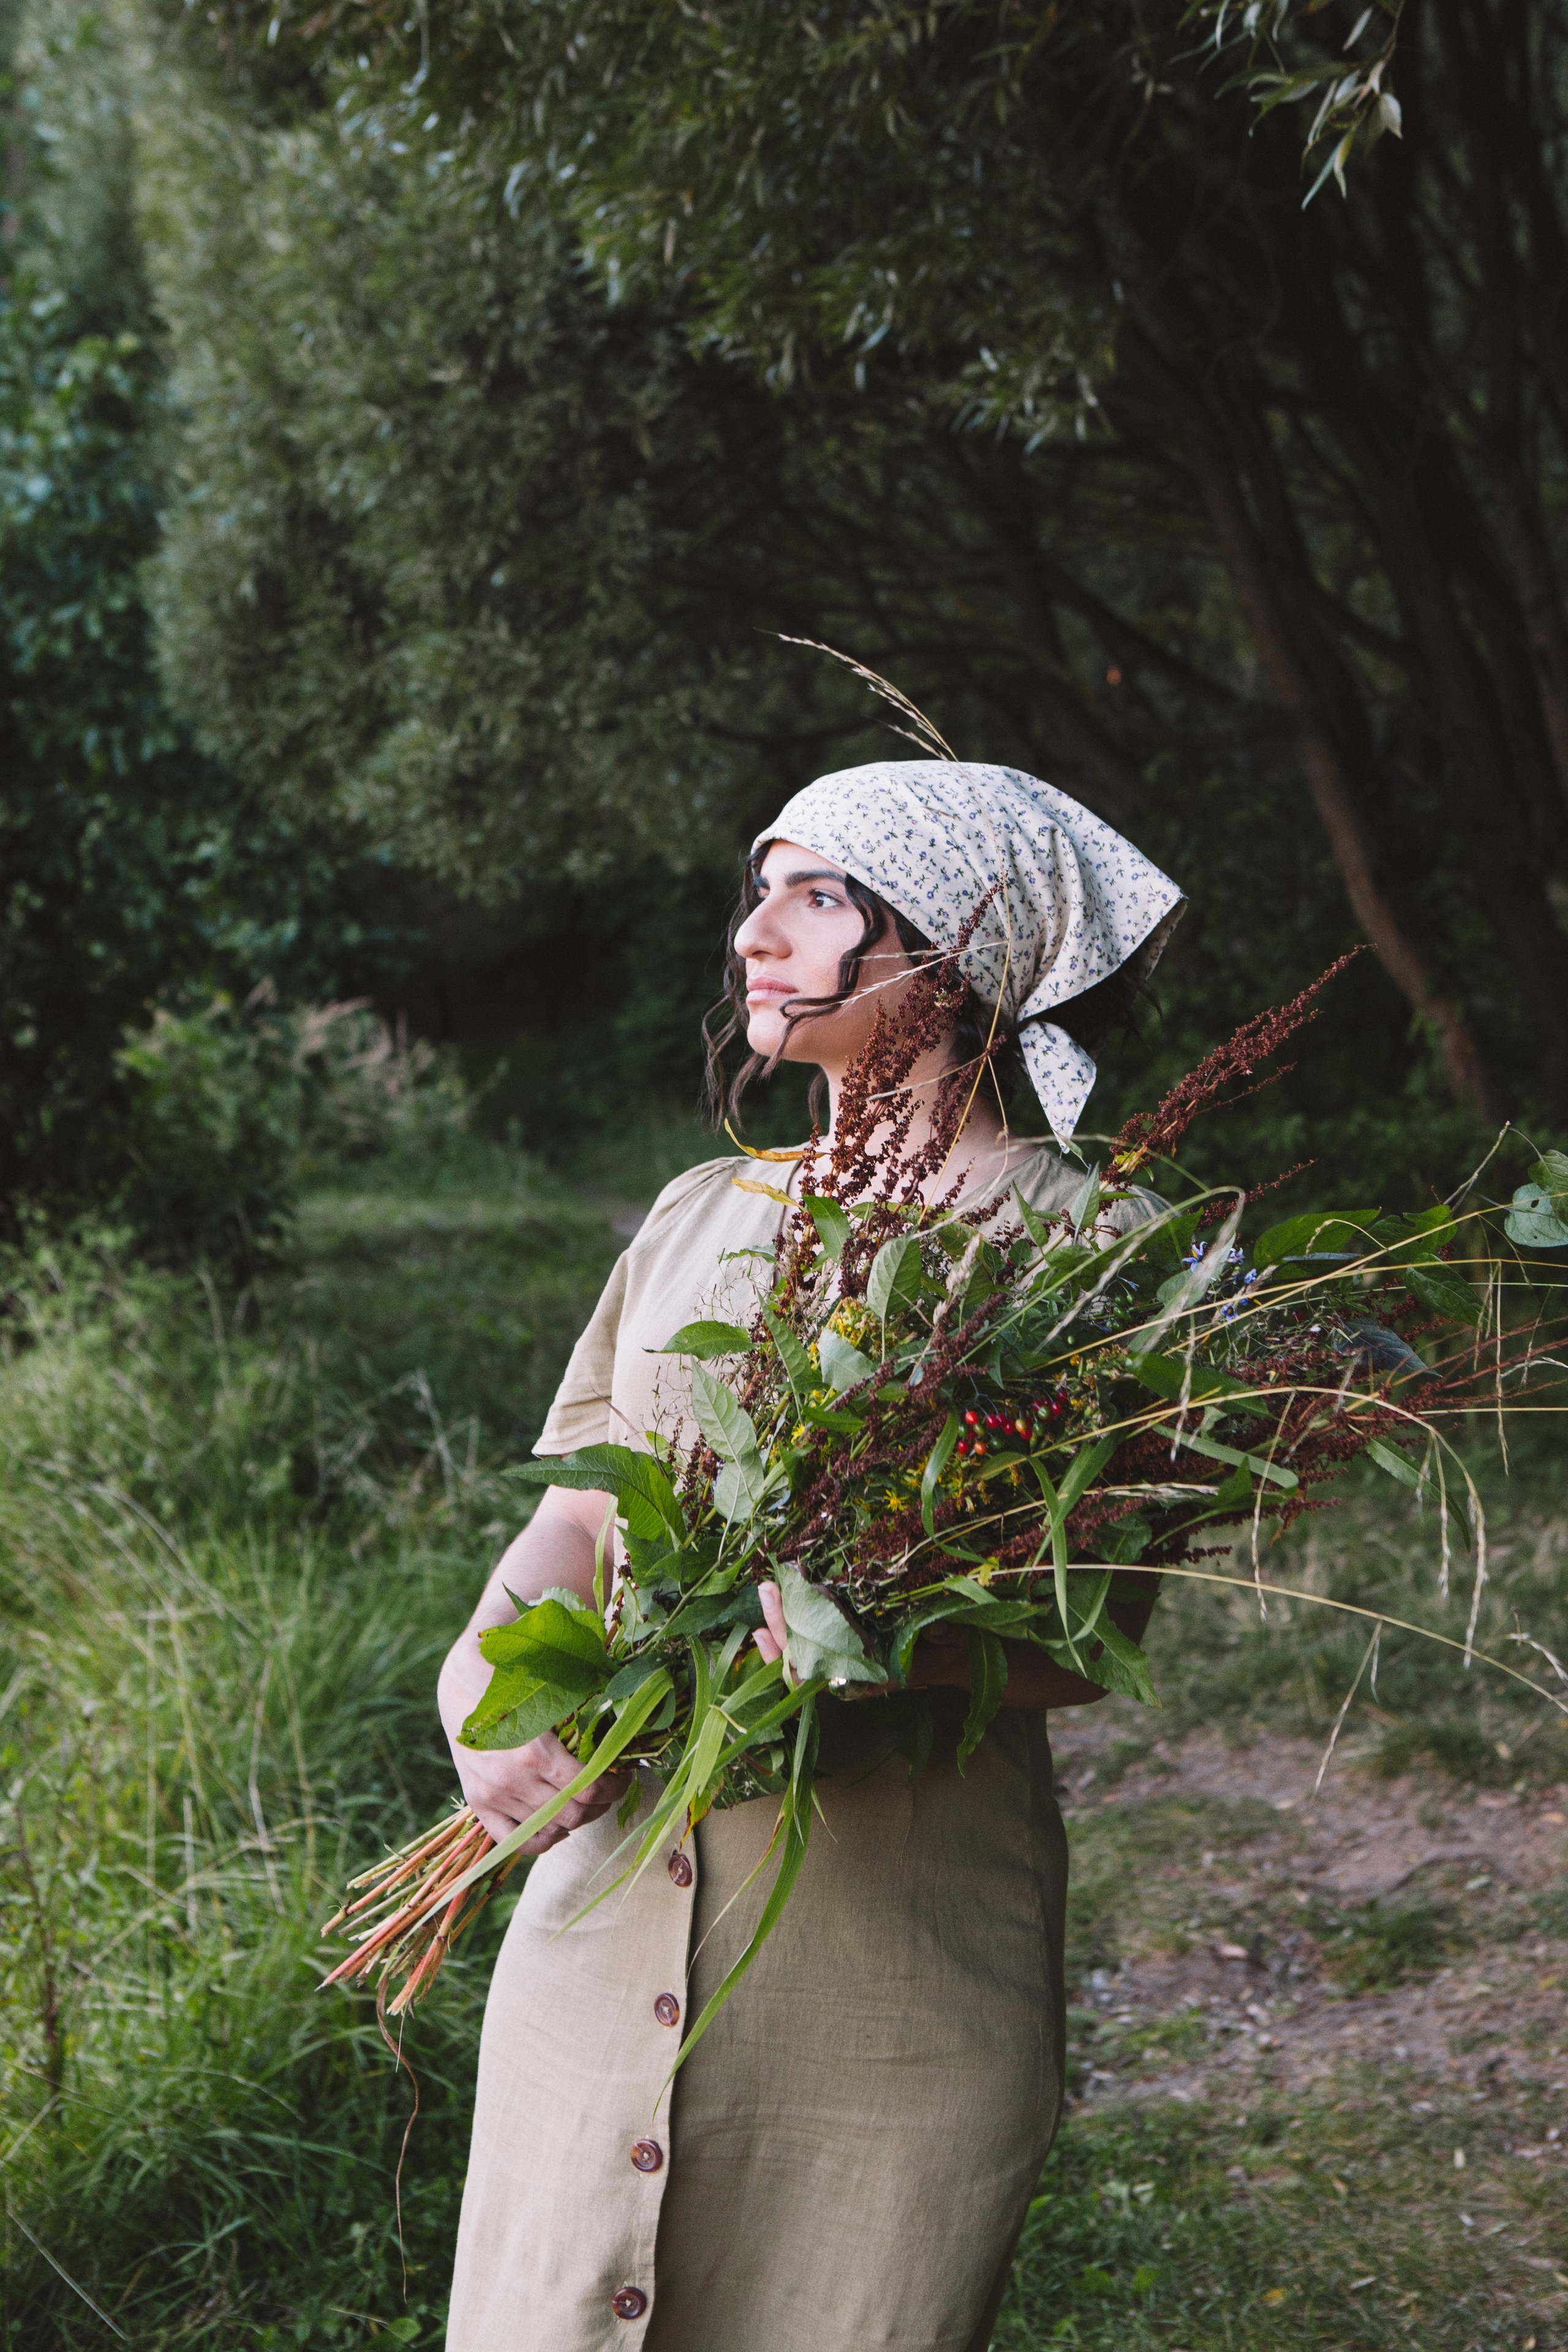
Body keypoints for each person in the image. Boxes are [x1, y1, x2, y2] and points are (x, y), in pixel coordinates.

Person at [440, 761, 1184, 2352]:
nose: (755, 935)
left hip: (892, 1983)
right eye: (760, 889)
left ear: (964, 944)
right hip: (597, 1930)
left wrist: (855, 1636)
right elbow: (588, 1507)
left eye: (822, 894)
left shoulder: (1094, 1259)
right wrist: (485, 1667)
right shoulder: (702, 1211)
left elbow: (1084, 1627)